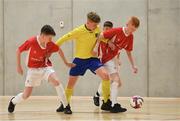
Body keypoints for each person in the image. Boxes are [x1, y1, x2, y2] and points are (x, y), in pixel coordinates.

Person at [8, 25, 74, 114]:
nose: (51, 40)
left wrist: (66, 63)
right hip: (32, 70)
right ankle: (13, 101)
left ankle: (66, 106)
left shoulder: (49, 43)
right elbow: (18, 51)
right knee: (26, 95)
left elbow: (59, 50)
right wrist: (18, 66)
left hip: (45, 67)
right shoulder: (31, 42)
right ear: (43, 36)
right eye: (49, 38)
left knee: (56, 81)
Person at [56, 12, 111, 114]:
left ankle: (107, 102)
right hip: (79, 60)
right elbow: (64, 38)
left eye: (97, 25)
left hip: (92, 60)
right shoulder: (79, 31)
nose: (96, 27)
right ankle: (65, 104)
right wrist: (53, 47)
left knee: (106, 75)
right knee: (70, 84)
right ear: (88, 22)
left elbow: (101, 37)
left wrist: (109, 42)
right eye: (94, 25)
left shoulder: (97, 29)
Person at [92, 16, 140, 113]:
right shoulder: (117, 31)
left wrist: (133, 65)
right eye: (132, 26)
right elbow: (100, 35)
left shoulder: (130, 37)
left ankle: (107, 101)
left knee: (115, 82)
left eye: (135, 28)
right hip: (102, 58)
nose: (133, 29)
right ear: (128, 24)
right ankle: (111, 103)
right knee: (114, 80)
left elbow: (128, 52)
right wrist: (95, 48)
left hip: (110, 59)